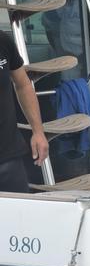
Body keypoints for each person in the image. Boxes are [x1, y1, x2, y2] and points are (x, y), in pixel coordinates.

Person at [0, 30, 49, 193]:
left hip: (9, 158)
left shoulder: (3, 40)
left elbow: (23, 84)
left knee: (19, 217)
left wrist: (38, 131)